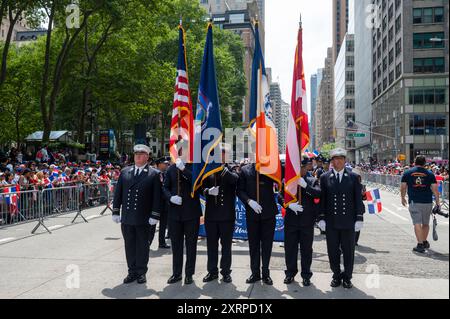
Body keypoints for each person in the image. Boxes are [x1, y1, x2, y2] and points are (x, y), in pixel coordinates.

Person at [112, 144, 161, 285]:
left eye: (141, 154)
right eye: (136, 154)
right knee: (129, 245)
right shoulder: (125, 172)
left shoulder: (154, 174)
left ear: (147, 156)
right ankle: (131, 271)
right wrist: (116, 211)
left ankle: (141, 272)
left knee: (142, 246)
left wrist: (155, 215)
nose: (138, 156)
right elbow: (118, 193)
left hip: (144, 218)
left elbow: (157, 197)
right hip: (127, 217)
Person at [318, 148, 364, 289]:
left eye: (341, 158)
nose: (338, 161)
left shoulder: (353, 177)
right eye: (335, 159)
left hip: (348, 221)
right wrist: (321, 218)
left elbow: (358, 198)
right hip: (331, 222)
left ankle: (347, 277)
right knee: (332, 251)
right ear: (332, 161)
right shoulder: (325, 177)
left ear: (345, 160)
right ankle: (336, 275)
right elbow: (322, 199)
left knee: (348, 251)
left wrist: (359, 217)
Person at [237, 161, 280, 286]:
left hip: (268, 213)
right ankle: (255, 273)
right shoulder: (245, 170)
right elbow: (239, 190)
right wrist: (249, 201)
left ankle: (266, 273)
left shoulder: (271, 168)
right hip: (252, 213)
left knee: (267, 245)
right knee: (254, 245)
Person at [201, 144, 239, 284]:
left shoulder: (231, 170)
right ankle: (212, 271)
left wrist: (223, 169)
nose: (222, 156)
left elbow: (235, 181)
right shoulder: (208, 170)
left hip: (226, 217)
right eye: (220, 154)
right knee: (211, 245)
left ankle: (226, 272)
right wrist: (208, 192)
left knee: (226, 246)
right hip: (211, 216)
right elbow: (201, 188)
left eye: (224, 154)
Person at [163, 157, 202, 285]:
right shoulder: (170, 169)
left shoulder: (194, 167)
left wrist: (184, 169)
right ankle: (177, 273)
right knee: (176, 245)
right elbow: (165, 188)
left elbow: (197, 183)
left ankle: (189, 274)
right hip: (175, 213)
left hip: (191, 213)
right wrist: (170, 197)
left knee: (191, 245)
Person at [283, 157, 321, 286]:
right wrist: (288, 205)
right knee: (290, 249)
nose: (300, 170)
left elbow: (318, 194)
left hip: (306, 222)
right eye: (297, 168)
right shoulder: (288, 181)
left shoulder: (312, 180)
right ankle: (290, 273)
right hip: (291, 221)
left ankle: (306, 275)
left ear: (307, 167)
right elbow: (279, 196)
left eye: (302, 168)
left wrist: (305, 186)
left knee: (306, 250)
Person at [400, 155, 440, 253]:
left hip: (414, 201)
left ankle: (420, 244)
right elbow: (435, 189)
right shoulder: (430, 173)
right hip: (427, 201)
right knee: (426, 223)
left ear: (414, 162)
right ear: (424, 163)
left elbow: (403, 187)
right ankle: (424, 241)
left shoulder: (407, 173)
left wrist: (402, 197)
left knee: (417, 222)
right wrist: (438, 203)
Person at [148, 157, 170, 249]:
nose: (166, 165)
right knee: (152, 226)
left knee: (163, 225)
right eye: (164, 163)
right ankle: (148, 243)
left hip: (165, 204)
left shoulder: (166, 174)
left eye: (167, 164)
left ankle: (162, 242)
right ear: (159, 164)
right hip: (154, 205)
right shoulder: (152, 174)